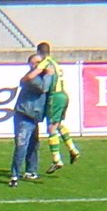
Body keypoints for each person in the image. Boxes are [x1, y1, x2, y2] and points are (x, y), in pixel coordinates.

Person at [36, 41, 80, 174]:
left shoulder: (46, 62)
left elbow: (38, 71)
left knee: (51, 128)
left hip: (54, 97)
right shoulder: (55, 61)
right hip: (63, 95)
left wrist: (29, 77)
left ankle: (56, 160)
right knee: (58, 124)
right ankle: (73, 149)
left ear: (39, 52)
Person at [9, 54, 52, 188]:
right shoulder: (32, 78)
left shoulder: (38, 76)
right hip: (24, 115)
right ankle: (15, 175)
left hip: (33, 116)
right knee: (22, 145)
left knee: (34, 145)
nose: (38, 65)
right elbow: (43, 88)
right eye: (35, 63)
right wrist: (49, 74)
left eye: (40, 62)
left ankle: (30, 171)